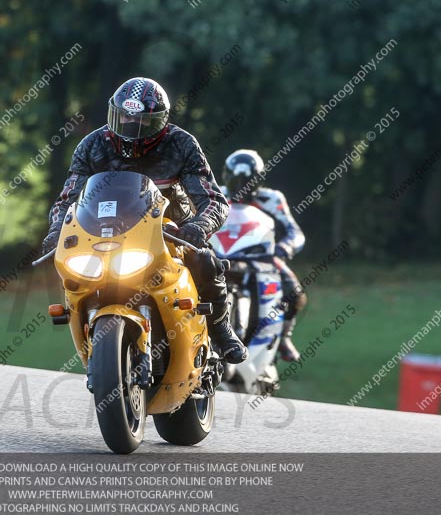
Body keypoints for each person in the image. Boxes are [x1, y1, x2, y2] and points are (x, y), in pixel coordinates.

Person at [41, 77, 246, 364]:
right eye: (123, 118)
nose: (130, 128)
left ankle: (221, 328)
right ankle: (92, 334)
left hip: (171, 229)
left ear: (161, 120)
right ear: (113, 113)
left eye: (142, 122)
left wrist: (199, 226)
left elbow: (213, 199)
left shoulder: (182, 143)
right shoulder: (92, 145)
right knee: (74, 271)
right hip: (103, 232)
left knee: (205, 261)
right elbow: (68, 198)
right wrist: (55, 229)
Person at [220, 149, 306, 362]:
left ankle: (284, 336)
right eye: (235, 179)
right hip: (222, 253)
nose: (240, 185)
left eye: (247, 180)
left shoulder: (272, 199)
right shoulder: (216, 194)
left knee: (294, 291)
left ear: (258, 180)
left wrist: (285, 247)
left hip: (261, 256)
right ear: (226, 176)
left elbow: (294, 231)